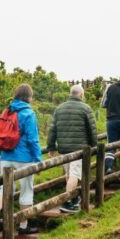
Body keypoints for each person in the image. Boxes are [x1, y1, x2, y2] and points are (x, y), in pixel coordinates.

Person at [0, 84, 43, 234]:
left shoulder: (7, 110)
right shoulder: (28, 113)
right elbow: (33, 139)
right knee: (26, 190)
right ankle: (23, 226)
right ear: (29, 97)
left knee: (5, 188)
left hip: (5, 156)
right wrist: (38, 160)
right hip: (24, 158)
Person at [47, 84, 98, 213]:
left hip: (64, 148)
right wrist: (95, 146)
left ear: (71, 94)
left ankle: (73, 199)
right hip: (79, 149)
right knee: (74, 174)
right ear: (81, 95)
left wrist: (51, 146)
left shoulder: (59, 108)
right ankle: (67, 202)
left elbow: (52, 129)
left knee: (69, 174)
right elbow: (92, 130)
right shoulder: (85, 108)